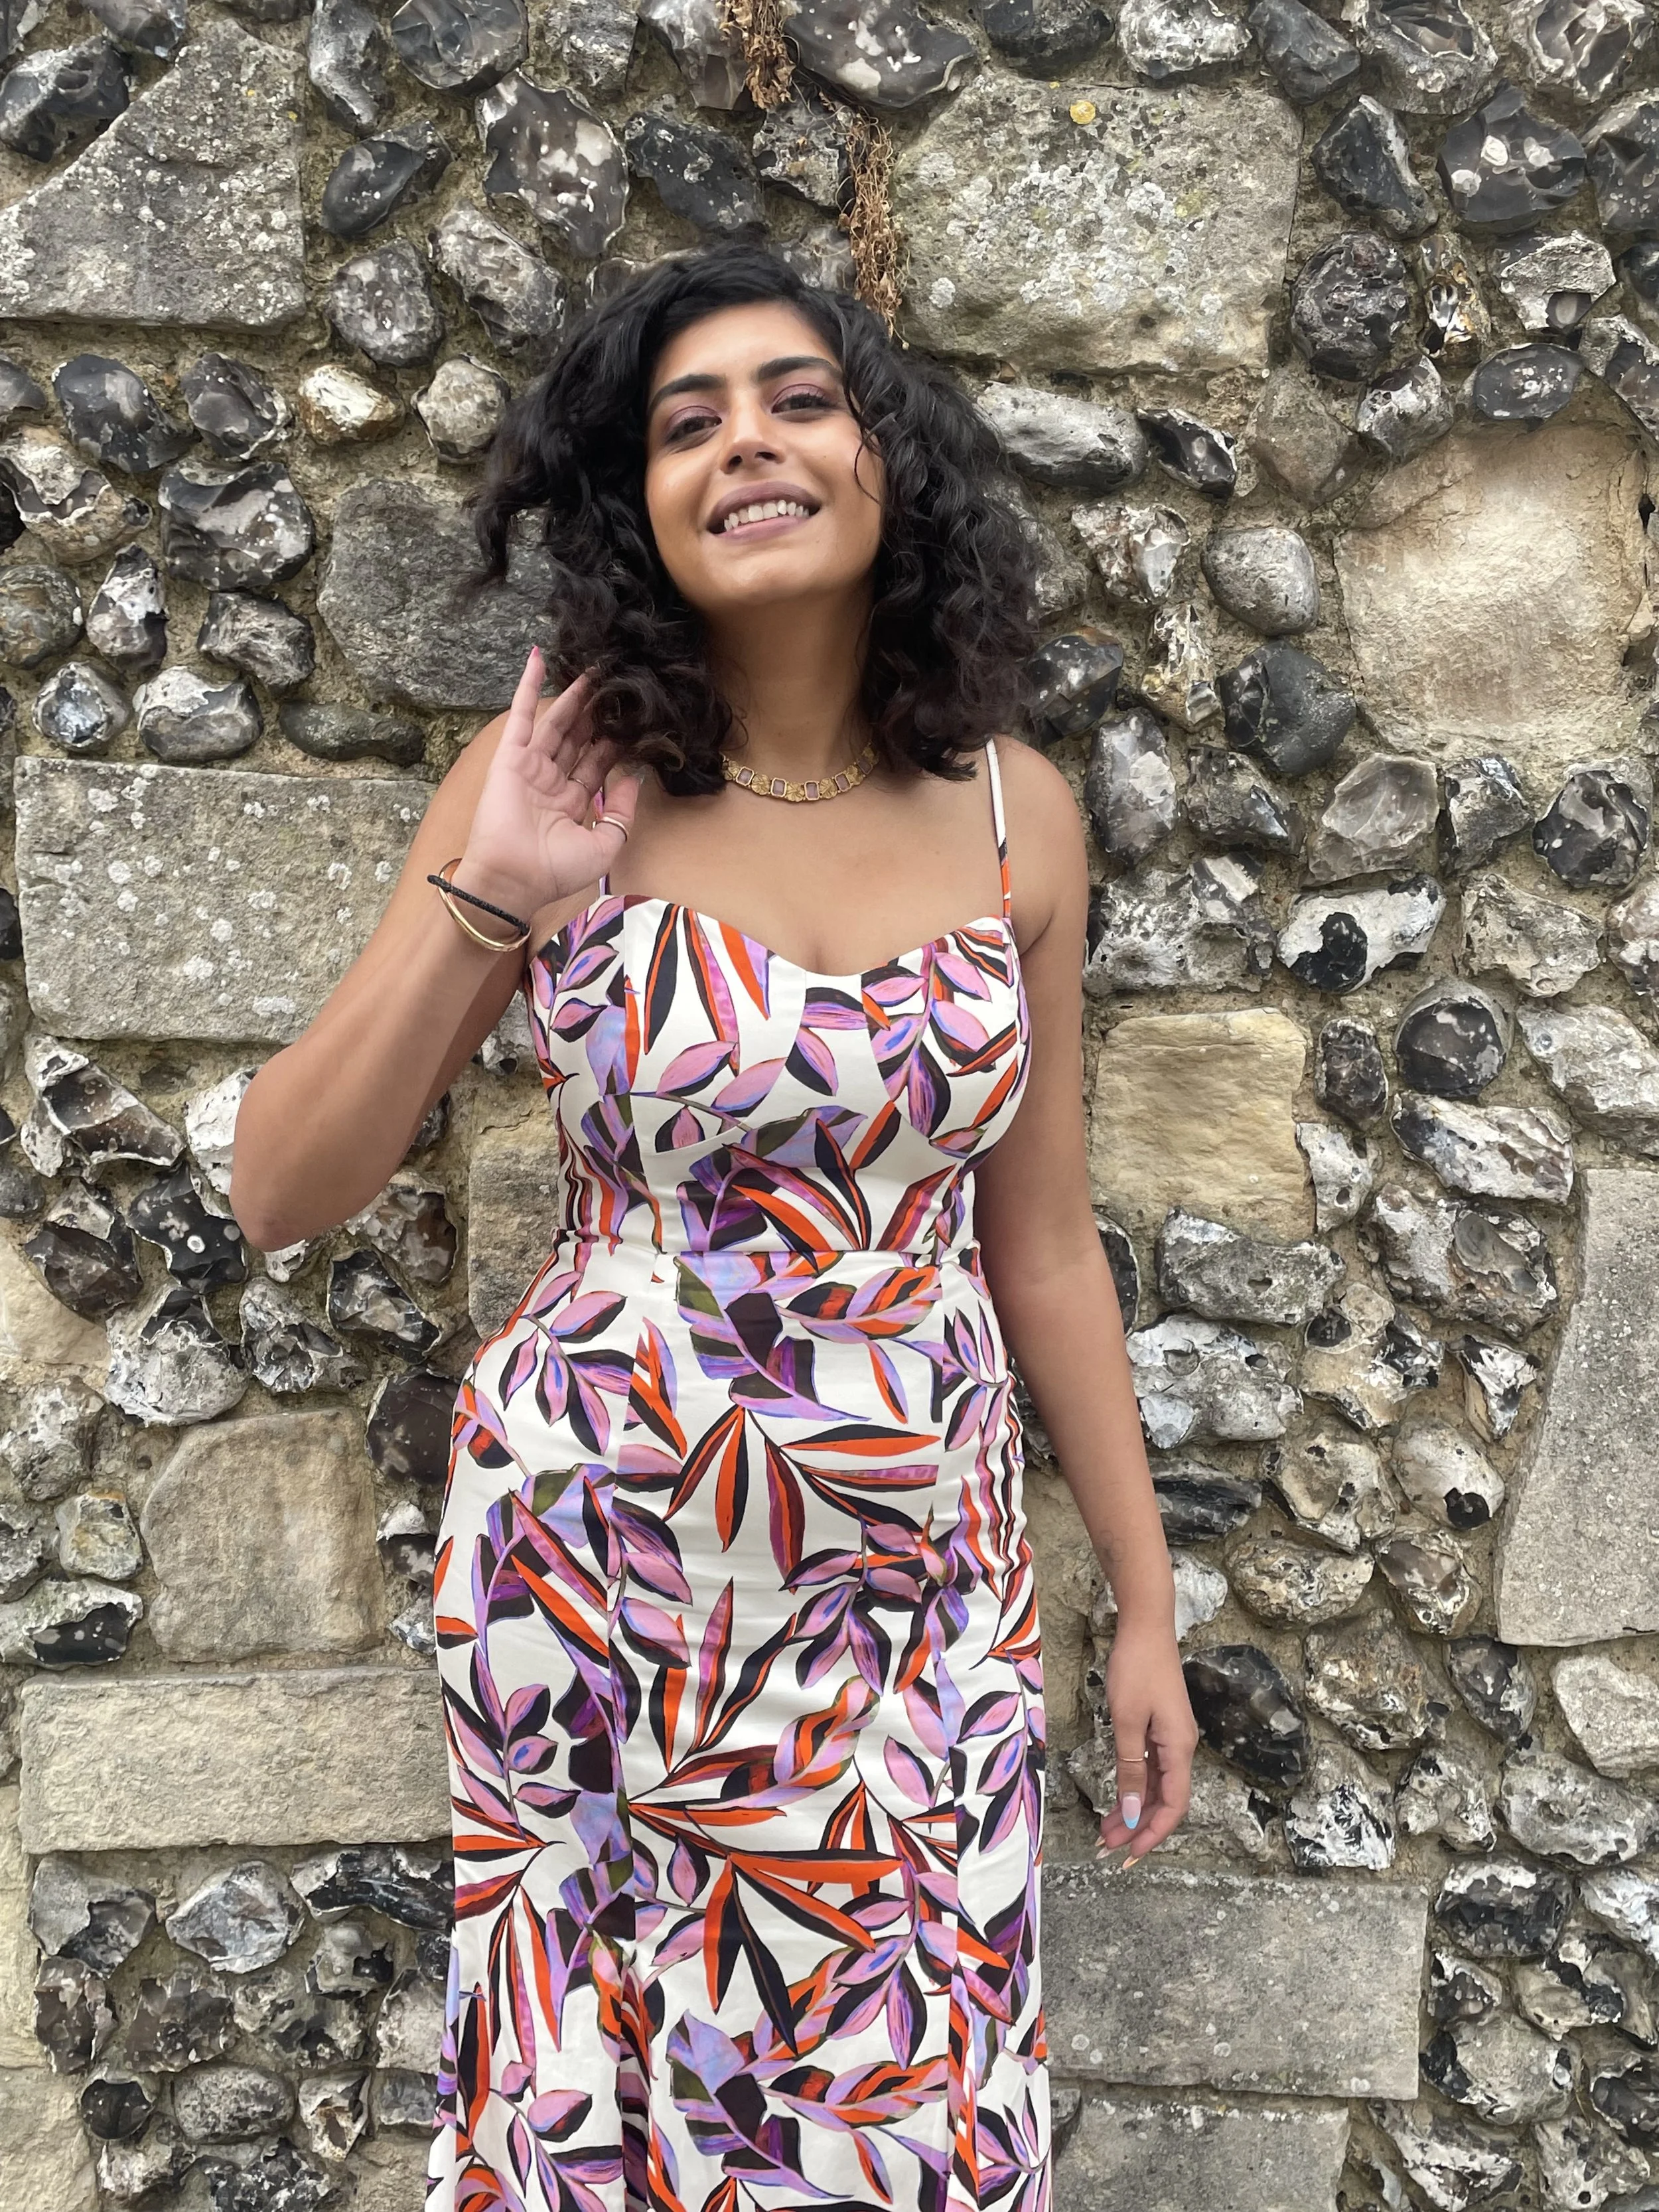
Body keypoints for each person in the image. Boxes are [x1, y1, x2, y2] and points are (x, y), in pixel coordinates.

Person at [229, 242, 1196, 2212]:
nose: (745, 441)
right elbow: (280, 1185)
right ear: (634, 503)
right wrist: (496, 887)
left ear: (882, 462)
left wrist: (1149, 1599)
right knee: (608, 2100)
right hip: (605, 1570)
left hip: (909, 1590)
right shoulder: (556, 781)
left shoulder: (1018, 817)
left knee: (902, 2106)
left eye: (795, 398)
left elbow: (1043, 1251)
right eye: (686, 423)